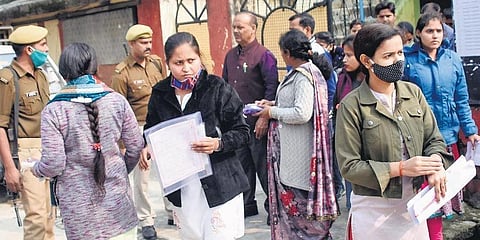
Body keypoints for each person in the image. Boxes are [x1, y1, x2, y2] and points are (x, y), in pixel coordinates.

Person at [335, 23, 453, 240]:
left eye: (400, 52)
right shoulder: (352, 106)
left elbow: (434, 140)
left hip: (414, 206)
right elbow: (349, 167)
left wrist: (435, 165)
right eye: (388, 55)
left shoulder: (413, 94)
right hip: (373, 211)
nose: (397, 60)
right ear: (366, 60)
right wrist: (400, 168)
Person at [31, 43, 144, 239]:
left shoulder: (54, 110)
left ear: (64, 71)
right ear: (95, 66)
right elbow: (135, 147)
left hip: (80, 216)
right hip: (120, 211)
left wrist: (36, 169)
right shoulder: (117, 101)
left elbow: (54, 163)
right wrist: (119, 169)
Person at [145, 32, 250, 240]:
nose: (186, 68)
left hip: (219, 184)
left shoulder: (216, 87)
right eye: (178, 62)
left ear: (199, 58)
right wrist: (147, 145)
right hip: (182, 185)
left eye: (191, 60)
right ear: (168, 63)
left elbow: (242, 131)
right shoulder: (161, 93)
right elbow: (151, 128)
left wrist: (218, 143)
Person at [254, 29, 338, 239]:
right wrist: (272, 104)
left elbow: (302, 113)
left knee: (302, 220)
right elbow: (297, 104)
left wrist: (270, 112)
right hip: (297, 153)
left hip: (300, 158)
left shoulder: (303, 75)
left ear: (288, 52)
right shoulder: (305, 72)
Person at [403, 12, 480, 240]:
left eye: (438, 31)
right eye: (429, 31)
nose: (435, 35)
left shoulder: (452, 59)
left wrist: (471, 130)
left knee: (439, 198)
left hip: (446, 139)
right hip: (418, 140)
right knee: (421, 198)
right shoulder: (408, 60)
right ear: (418, 33)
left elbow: (461, 99)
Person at [111, 24, 170, 239]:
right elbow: (118, 111)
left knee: (168, 170)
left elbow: (165, 91)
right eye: (143, 43)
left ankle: (172, 209)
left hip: (160, 123)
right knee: (142, 177)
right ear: (131, 44)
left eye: (149, 42)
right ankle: (146, 220)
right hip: (136, 127)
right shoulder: (121, 73)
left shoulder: (155, 63)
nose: (148, 46)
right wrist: (125, 145)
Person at [0, 25, 55, 240]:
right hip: (25, 152)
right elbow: (0, 126)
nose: (47, 49)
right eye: (43, 45)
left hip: (47, 148)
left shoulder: (40, 75)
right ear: (29, 50)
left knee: (49, 216)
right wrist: (10, 167)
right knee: (37, 218)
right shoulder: (8, 79)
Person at [222, 11, 278, 219]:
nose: (236, 31)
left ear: (253, 29)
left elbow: (272, 89)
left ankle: (273, 208)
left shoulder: (264, 55)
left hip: (258, 123)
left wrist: (264, 118)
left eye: (241, 27)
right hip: (237, 123)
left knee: (264, 167)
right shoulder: (230, 55)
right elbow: (225, 87)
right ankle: (247, 205)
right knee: (241, 165)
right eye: (234, 27)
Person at [332, 34, 366, 210]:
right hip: (347, 139)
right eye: (343, 55)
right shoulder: (342, 78)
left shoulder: (372, 81)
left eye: (349, 55)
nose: (344, 59)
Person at [289, 12, 336, 112]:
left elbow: (330, 86)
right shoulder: (292, 51)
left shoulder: (318, 51)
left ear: (307, 30)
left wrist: (326, 112)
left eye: (294, 31)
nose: (290, 35)